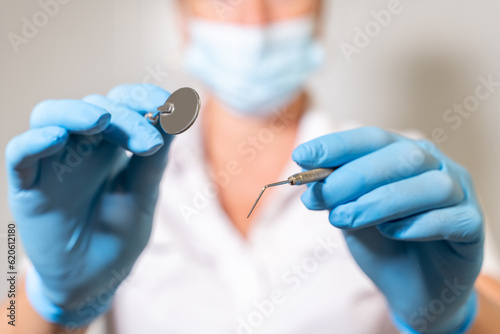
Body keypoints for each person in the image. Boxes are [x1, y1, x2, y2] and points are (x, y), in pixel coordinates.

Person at [2, 0, 500, 333]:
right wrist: (55, 298)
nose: (256, 16)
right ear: (183, 16)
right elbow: (9, 315)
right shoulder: (111, 169)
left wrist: (456, 315)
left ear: (320, 14)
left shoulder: (397, 171)